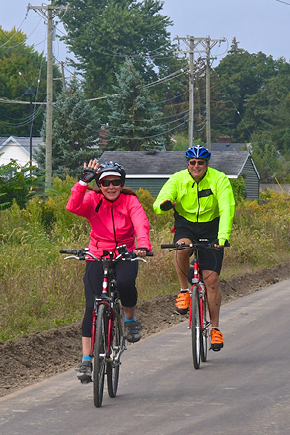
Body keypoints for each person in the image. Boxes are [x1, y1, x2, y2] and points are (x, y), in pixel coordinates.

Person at [66, 159, 152, 382]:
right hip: (98, 253)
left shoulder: (130, 201)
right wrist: (82, 183)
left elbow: (141, 223)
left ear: (122, 183)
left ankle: (130, 321)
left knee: (125, 283)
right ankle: (86, 360)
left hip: (125, 252)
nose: (111, 187)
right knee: (91, 306)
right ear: (99, 185)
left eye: (116, 182)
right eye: (106, 183)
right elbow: (73, 207)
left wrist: (143, 246)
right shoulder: (92, 199)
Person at [153, 145, 236, 351]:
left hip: (211, 228)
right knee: (181, 248)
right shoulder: (178, 179)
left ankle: (215, 329)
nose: (196, 166)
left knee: (212, 281)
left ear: (207, 164)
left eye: (201, 163)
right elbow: (160, 201)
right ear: (187, 164)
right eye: (192, 162)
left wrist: (222, 237)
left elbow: (227, 208)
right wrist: (164, 205)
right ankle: (184, 291)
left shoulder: (219, 179)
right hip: (186, 225)